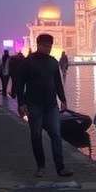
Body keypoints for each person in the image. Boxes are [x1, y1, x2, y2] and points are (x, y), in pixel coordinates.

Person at [15, 34, 72, 177]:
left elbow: (58, 83)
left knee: (56, 135)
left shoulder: (53, 62)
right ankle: (41, 167)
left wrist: (63, 99)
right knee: (36, 136)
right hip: (34, 104)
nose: (48, 49)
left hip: (51, 105)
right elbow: (20, 84)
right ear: (38, 45)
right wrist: (21, 104)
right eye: (45, 46)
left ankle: (60, 167)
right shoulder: (28, 62)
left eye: (50, 46)